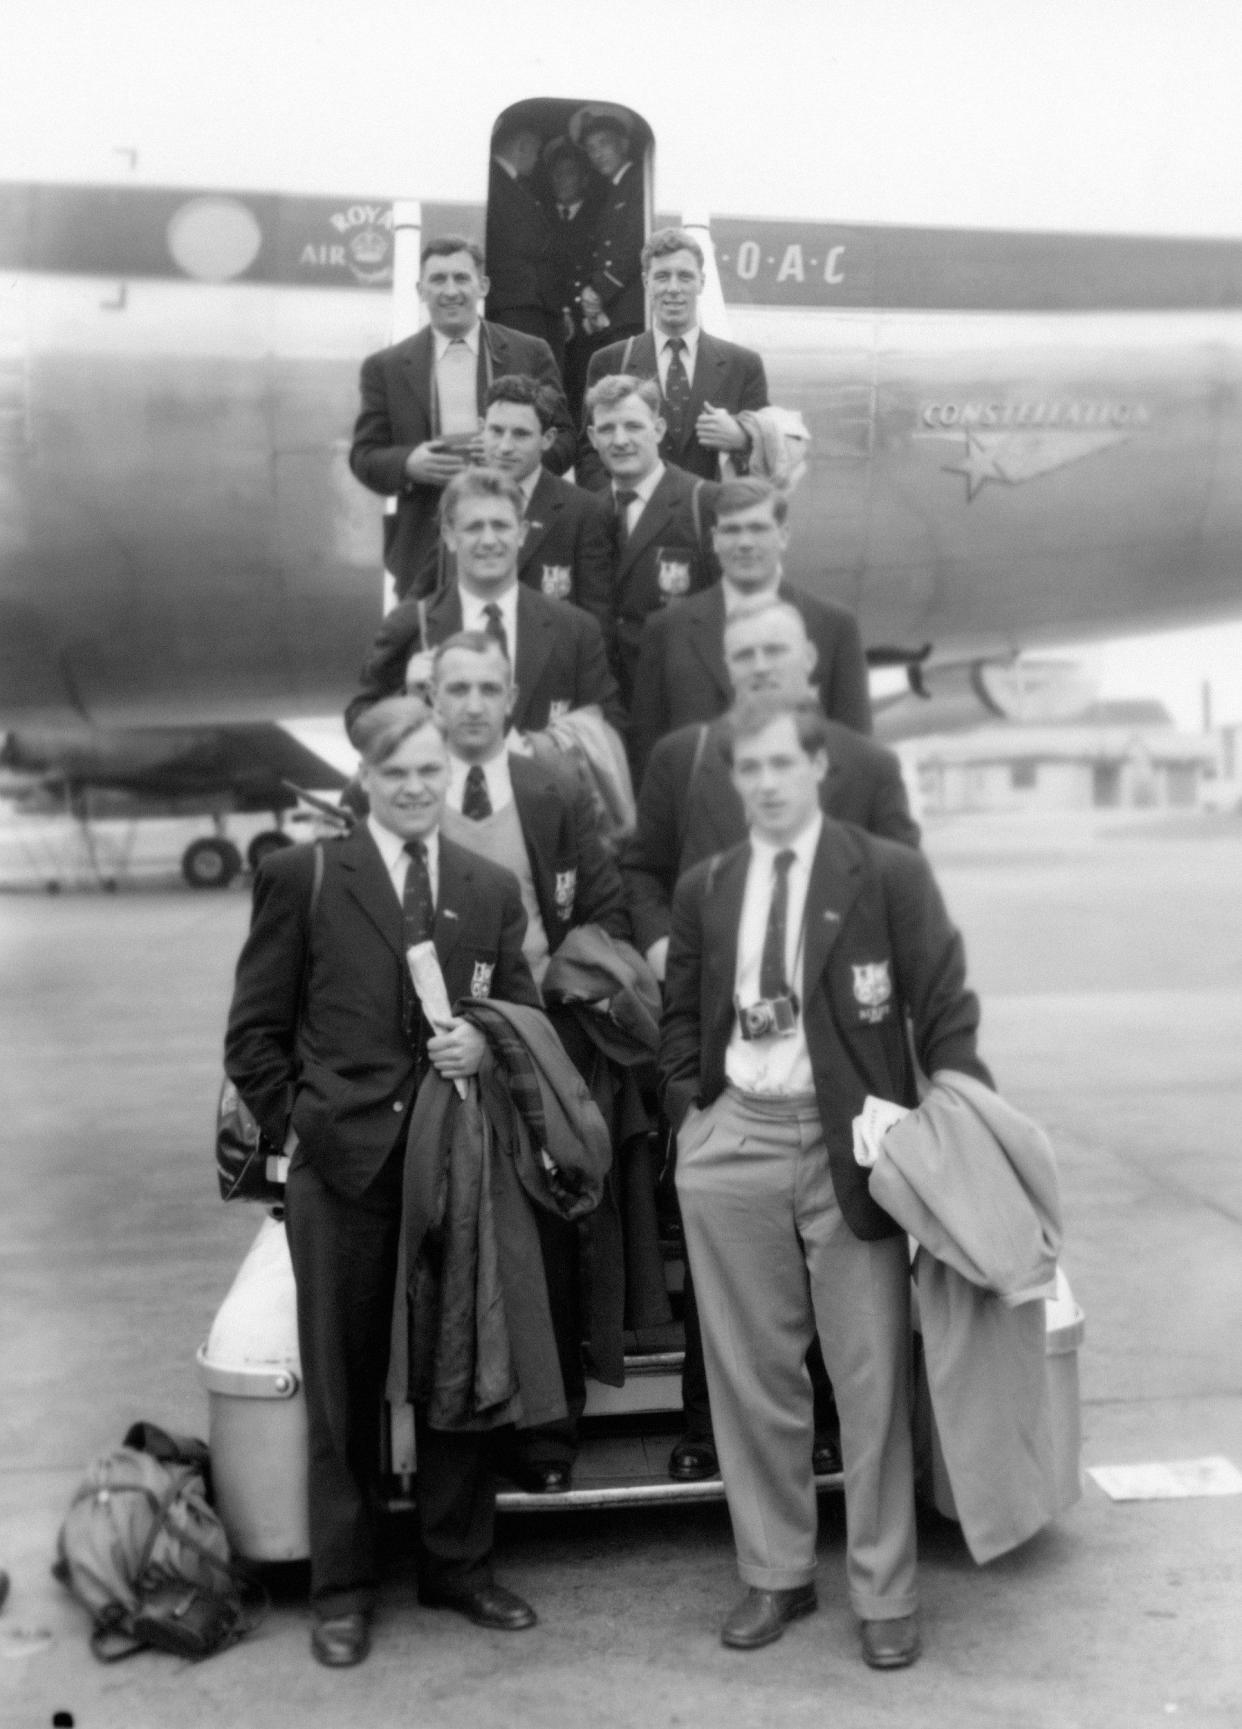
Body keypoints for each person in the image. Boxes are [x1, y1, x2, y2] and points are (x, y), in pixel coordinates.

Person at [658, 696, 992, 1667]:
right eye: (747, 768)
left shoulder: (882, 872)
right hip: (736, 1141)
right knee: (750, 1372)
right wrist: (693, 1109)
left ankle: (885, 1590)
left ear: (819, 768)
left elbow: (944, 1004)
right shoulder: (709, 885)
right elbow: (680, 1012)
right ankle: (776, 1571)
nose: (765, 782)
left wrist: (957, 1123)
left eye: (780, 763)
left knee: (870, 1373)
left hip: (849, 1142)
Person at [223, 697, 544, 1668]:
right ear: (363, 775)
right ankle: (344, 1587)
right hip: (344, 1174)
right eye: (395, 771)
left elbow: (524, 1015)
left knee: (460, 1367)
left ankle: (457, 1564)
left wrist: (482, 1041)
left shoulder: (489, 889)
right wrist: (306, 1133)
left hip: (452, 1163)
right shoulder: (304, 877)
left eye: (428, 770)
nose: (413, 787)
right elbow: (254, 1037)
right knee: (343, 1385)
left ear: (448, 772)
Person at [431, 630, 631, 1491]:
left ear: (511, 697)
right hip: (434, 1055)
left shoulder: (552, 789)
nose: (473, 703)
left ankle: (550, 1433)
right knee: (455, 1241)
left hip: (539, 1045)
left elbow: (608, 906)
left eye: (488, 687)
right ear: (433, 700)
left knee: (548, 1240)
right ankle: (465, 1434)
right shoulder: (408, 792)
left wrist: (549, 1005)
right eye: (457, 688)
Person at [348, 235, 574, 601]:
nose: (450, 290)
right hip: (425, 548)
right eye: (438, 280)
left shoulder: (529, 353)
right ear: (420, 289)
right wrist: (408, 464)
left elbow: (564, 440)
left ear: (482, 286)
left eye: (461, 278)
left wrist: (513, 461)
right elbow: (364, 456)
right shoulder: (385, 368)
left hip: (519, 540)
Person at [345, 468, 624, 739]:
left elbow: (608, 731)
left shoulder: (575, 630)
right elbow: (359, 724)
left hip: (537, 786)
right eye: (474, 527)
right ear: (450, 536)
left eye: (501, 526)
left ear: (523, 532)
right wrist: (409, 699)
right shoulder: (409, 625)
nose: (489, 540)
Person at [628, 476, 871, 774]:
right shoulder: (667, 630)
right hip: (701, 814)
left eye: (758, 528)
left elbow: (857, 753)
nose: (744, 543)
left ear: (783, 535)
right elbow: (648, 754)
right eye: (731, 530)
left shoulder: (834, 627)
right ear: (714, 539)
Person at [575, 227, 769, 491]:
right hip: (635, 523)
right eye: (662, 276)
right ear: (646, 283)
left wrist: (742, 439)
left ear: (702, 282)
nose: (673, 289)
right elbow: (590, 455)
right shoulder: (609, 361)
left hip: (711, 520)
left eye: (685, 277)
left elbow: (771, 456)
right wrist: (617, 511)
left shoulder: (743, 366)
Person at [582, 373, 719, 703]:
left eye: (633, 426)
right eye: (606, 429)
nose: (620, 440)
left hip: (683, 698)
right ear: (592, 437)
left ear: (658, 429)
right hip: (610, 702)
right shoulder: (586, 513)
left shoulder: (705, 502)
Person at [476, 375, 615, 650]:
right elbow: (431, 602)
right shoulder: (460, 502)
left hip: (553, 673)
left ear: (548, 439)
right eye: (496, 431)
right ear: (481, 429)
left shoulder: (584, 512)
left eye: (521, 434)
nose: (505, 447)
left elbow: (597, 624)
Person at [484, 124, 564, 363]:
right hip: (515, 302)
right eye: (537, 152)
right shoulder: (496, 181)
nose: (537, 160)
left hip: (524, 299)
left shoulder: (509, 182)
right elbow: (525, 239)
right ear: (522, 148)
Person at [542, 139, 603, 417]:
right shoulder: (541, 215)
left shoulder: (599, 216)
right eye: (555, 174)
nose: (559, 180)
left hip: (588, 323)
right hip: (551, 317)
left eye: (568, 173)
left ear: (584, 178)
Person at [577, 113, 645, 346]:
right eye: (591, 148)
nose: (597, 154)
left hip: (629, 309)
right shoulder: (613, 189)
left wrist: (599, 292)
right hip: (614, 309)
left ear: (624, 144)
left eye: (604, 143)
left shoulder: (638, 182)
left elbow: (634, 244)